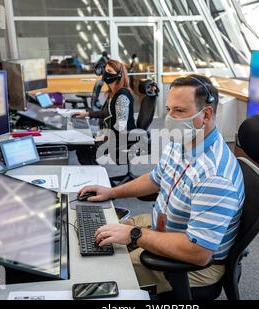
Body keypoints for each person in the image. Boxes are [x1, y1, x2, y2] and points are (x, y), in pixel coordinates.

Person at [79, 75, 245, 294]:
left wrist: (135, 235)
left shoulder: (214, 176)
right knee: (94, 233)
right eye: (168, 109)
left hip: (192, 265)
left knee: (98, 275)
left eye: (179, 111)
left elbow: (199, 252)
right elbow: (155, 179)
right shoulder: (183, 141)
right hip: (164, 228)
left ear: (205, 114)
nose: (170, 118)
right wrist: (112, 192)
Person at [73, 59, 136, 164]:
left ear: (119, 76)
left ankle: (97, 177)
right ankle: (95, 173)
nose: (106, 74)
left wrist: (102, 137)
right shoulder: (113, 93)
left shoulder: (122, 96)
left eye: (110, 72)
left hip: (121, 139)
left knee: (85, 148)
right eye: (106, 70)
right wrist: (87, 114)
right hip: (113, 135)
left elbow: (121, 126)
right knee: (83, 144)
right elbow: (108, 113)